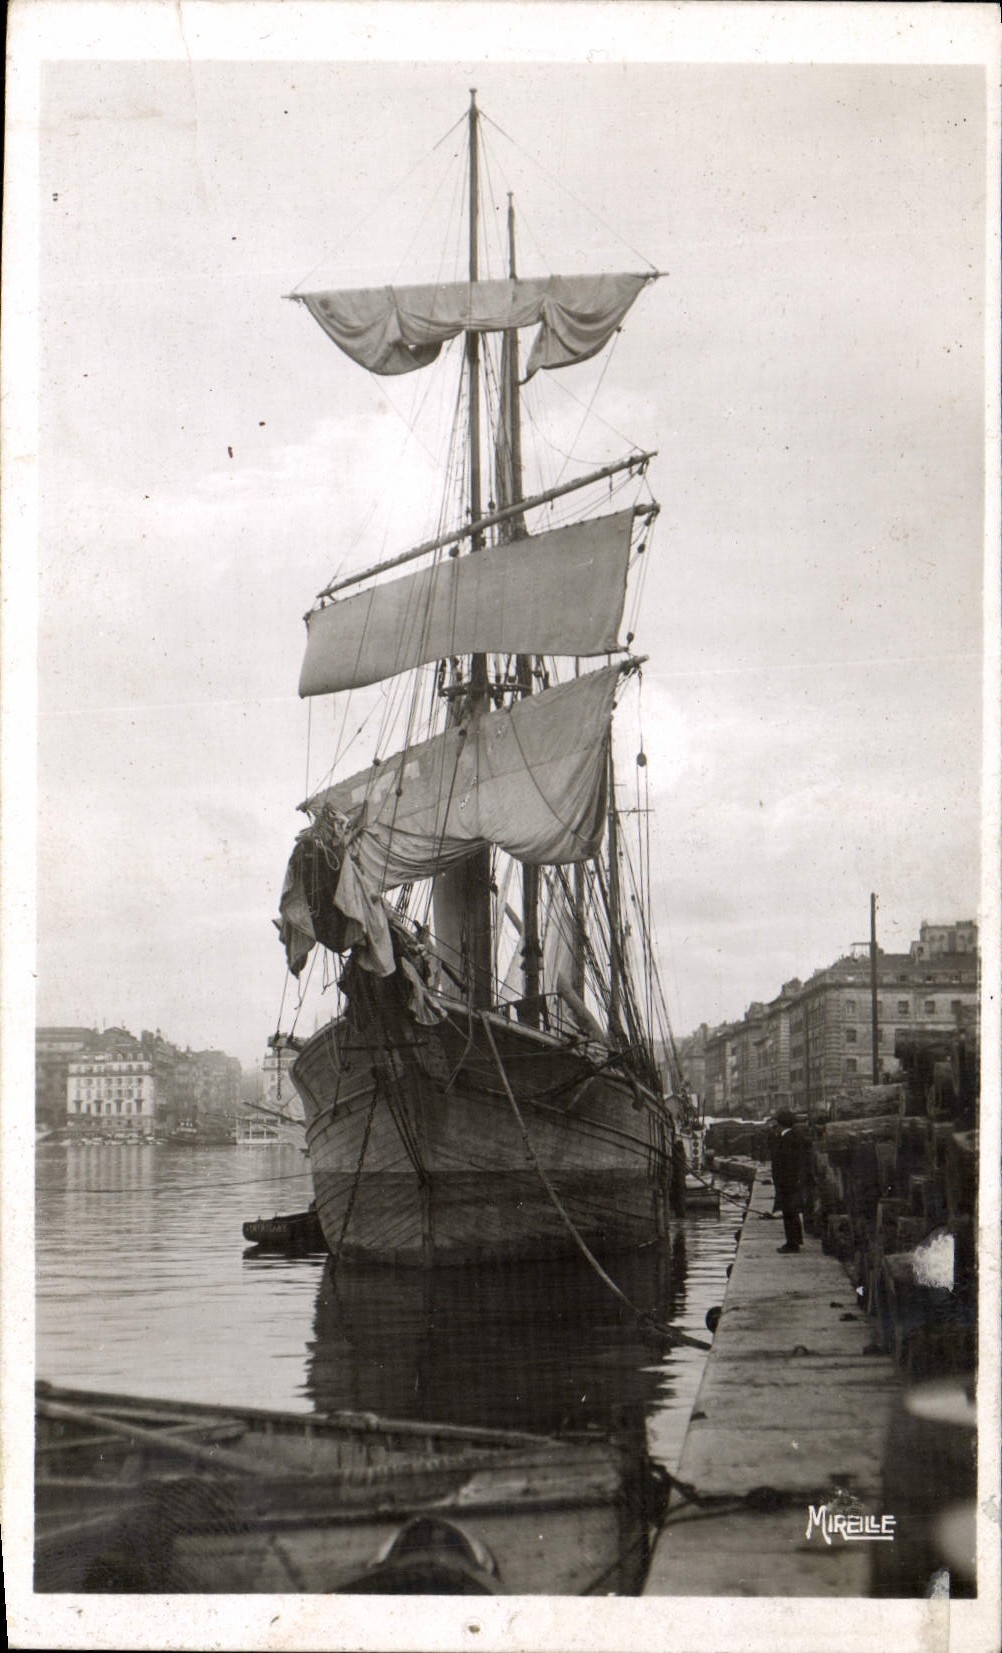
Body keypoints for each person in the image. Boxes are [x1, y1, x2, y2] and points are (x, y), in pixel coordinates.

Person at [770, 1108, 807, 1253]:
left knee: (789, 1212)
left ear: (781, 1124)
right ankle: (794, 1241)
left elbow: (788, 1163)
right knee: (791, 1212)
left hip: (787, 1182)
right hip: (789, 1181)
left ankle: (792, 1244)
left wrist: (785, 1181)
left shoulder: (787, 1139)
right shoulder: (791, 1137)